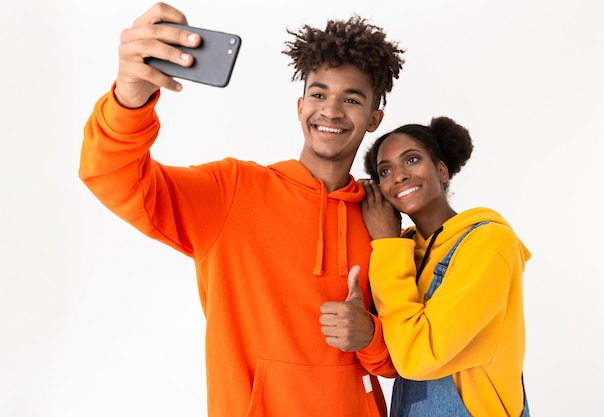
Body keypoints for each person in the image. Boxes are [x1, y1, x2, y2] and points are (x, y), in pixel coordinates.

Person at [79, 3, 405, 416]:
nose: (331, 111)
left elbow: (403, 358)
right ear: (300, 106)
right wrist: (129, 96)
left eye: (351, 100)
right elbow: (112, 175)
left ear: (374, 118)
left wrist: (369, 336)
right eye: (319, 94)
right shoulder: (232, 191)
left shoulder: (382, 219)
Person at [360, 117, 531, 416]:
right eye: (385, 171)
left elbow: (418, 356)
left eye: (411, 160)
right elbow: (391, 351)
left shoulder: (487, 242)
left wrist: (387, 245)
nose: (398, 176)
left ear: (441, 170)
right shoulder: (402, 249)